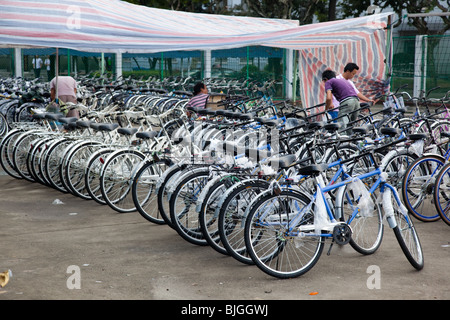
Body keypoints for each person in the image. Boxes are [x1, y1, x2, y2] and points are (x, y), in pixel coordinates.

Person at [322, 69, 360, 134]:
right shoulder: (344, 81)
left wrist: (326, 110)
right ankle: (350, 141)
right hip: (356, 102)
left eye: (323, 81)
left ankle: (342, 143)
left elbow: (328, 98)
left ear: (325, 79)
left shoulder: (328, 82)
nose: (324, 83)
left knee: (341, 127)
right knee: (350, 126)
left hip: (347, 102)